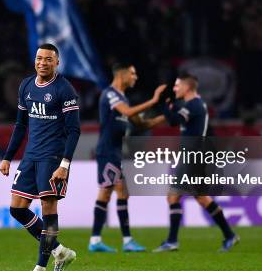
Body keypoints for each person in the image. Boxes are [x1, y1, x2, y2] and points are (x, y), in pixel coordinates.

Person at [0, 43, 81, 271]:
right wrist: (7, 156)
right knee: (16, 208)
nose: (42, 63)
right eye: (39, 58)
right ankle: (60, 251)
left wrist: (64, 164)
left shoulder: (65, 90)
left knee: (48, 209)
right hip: (30, 156)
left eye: (48, 59)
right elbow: (20, 125)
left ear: (57, 62)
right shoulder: (25, 85)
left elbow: (74, 130)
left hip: (53, 158)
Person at [153, 73, 240, 252]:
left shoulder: (194, 105)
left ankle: (172, 241)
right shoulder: (194, 105)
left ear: (187, 87)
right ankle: (229, 236)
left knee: (174, 196)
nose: (175, 88)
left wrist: (163, 103)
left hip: (192, 157)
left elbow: (173, 121)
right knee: (200, 198)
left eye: (177, 86)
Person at [89, 63, 167, 252]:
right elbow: (129, 113)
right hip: (107, 151)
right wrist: (154, 100)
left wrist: (167, 116)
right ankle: (108, 241)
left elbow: (140, 123)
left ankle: (110, 240)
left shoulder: (122, 98)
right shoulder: (110, 94)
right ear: (122, 74)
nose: (135, 77)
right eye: (132, 73)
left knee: (118, 193)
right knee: (109, 193)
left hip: (114, 152)